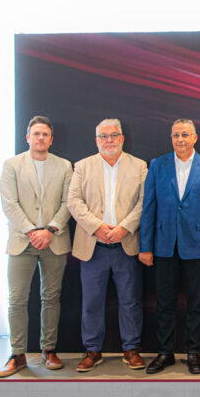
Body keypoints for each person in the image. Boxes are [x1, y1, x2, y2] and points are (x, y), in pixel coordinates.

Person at [139, 119, 200, 375]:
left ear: (195, 138)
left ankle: (193, 353)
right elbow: (148, 207)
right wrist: (145, 246)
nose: (180, 140)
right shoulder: (157, 165)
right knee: (164, 303)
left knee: (196, 303)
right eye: (176, 135)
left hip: (198, 246)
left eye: (185, 135)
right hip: (164, 245)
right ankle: (164, 353)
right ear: (171, 137)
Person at [67, 119, 148, 372]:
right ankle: (92, 350)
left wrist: (124, 227)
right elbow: (73, 201)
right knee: (92, 301)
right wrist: (97, 227)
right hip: (93, 245)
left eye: (114, 135)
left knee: (130, 301)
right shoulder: (82, 166)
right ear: (97, 141)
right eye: (103, 136)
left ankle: (131, 349)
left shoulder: (139, 166)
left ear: (122, 138)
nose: (109, 140)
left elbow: (145, 201)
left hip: (126, 243)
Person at [0, 116, 72, 377]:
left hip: (54, 240)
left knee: (51, 297)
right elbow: (9, 204)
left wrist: (49, 230)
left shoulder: (64, 166)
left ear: (51, 139)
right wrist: (32, 231)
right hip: (22, 241)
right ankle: (18, 355)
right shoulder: (11, 165)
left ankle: (48, 350)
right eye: (36, 134)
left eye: (45, 134)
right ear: (27, 137)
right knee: (17, 299)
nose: (41, 138)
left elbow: (68, 203)